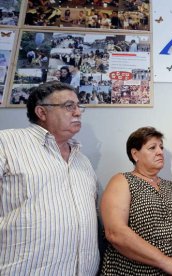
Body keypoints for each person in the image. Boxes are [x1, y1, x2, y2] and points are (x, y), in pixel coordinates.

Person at [0, 81, 99, 275]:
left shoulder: (83, 161)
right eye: (69, 106)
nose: (78, 112)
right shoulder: (6, 143)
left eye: (79, 106)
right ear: (42, 112)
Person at [100, 127, 172, 275]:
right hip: (132, 272)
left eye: (161, 147)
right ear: (135, 154)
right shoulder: (122, 181)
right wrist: (166, 262)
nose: (160, 152)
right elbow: (115, 232)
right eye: (152, 148)